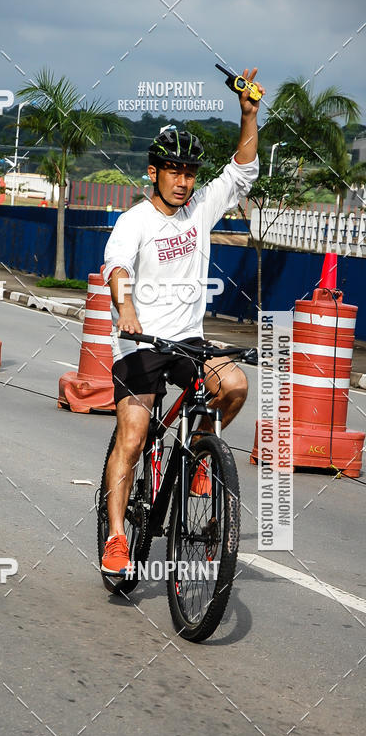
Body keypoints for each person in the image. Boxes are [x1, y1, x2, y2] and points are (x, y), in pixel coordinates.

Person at [100, 68, 264, 578]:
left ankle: (197, 456)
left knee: (234, 385)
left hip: (187, 340)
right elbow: (117, 269)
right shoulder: (135, 221)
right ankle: (118, 537)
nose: (183, 180)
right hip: (140, 343)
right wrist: (126, 309)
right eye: (173, 171)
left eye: (189, 171)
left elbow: (241, 171)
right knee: (133, 432)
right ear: (154, 172)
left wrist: (249, 114)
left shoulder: (200, 209)